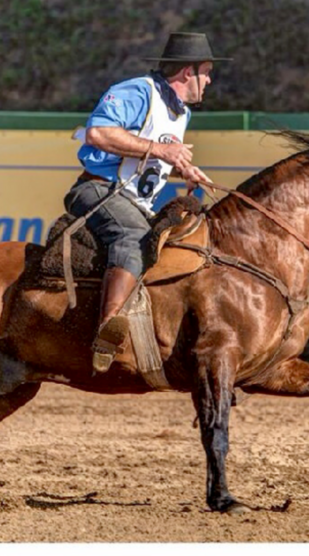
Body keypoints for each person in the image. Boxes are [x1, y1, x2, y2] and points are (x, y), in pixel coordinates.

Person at [63, 32, 232, 371]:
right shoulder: (139, 91)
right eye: (207, 71)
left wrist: (183, 168)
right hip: (99, 190)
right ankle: (107, 329)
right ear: (188, 72)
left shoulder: (181, 113)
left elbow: (150, 158)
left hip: (133, 200)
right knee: (134, 238)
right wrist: (163, 150)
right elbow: (99, 132)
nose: (210, 79)